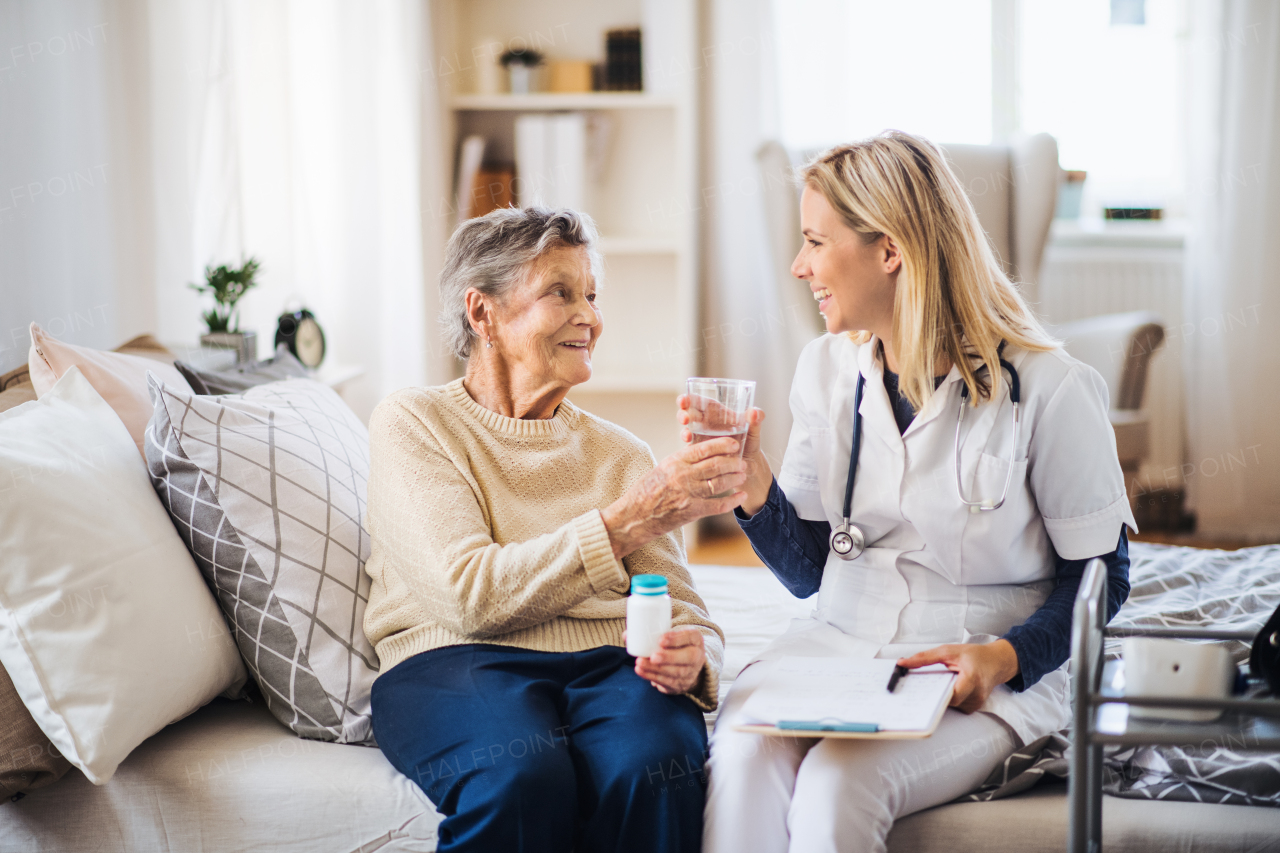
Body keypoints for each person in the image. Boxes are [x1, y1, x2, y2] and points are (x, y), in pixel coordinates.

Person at [696, 131, 1135, 853]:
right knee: (741, 756)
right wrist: (754, 487)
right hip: (838, 642)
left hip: (977, 665)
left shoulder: (1052, 388)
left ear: (890, 251)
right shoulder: (823, 369)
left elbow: (1101, 575)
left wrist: (1008, 654)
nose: (799, 265)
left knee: (840, 783)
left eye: (814, 240)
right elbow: (810, 569)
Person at [364, 207, 742, 853]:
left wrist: (696, 654)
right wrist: (625, 520)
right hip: (454, 659)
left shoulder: (620, 452)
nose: (589, 317)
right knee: (521, 776)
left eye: (591, 295)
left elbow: (682, 606)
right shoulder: (416, 422)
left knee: (653, 766)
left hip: (613, 661)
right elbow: (468, 597)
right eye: (559, 293)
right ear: (482, 314)